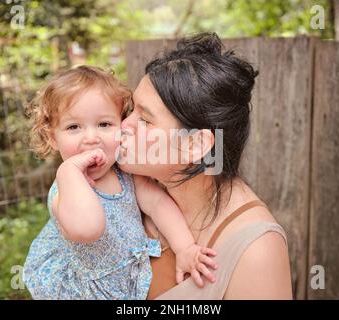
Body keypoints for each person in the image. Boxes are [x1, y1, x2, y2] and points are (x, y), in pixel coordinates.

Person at [119, 32, 293, 299]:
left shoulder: (255, 250)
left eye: (145, 120)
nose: (123, 126)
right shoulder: (129, 189)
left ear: (196, 145)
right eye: (132, 110)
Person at [22, 65, 218, 300]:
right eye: (74, 127)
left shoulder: (127, 174)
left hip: (129, 286)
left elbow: (157, 204)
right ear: (53, 138)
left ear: (122, 126)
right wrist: (69, 170)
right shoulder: (65, 190)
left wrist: (184, 247)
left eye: (104, 124)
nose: (91, 138)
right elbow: (88, 229)